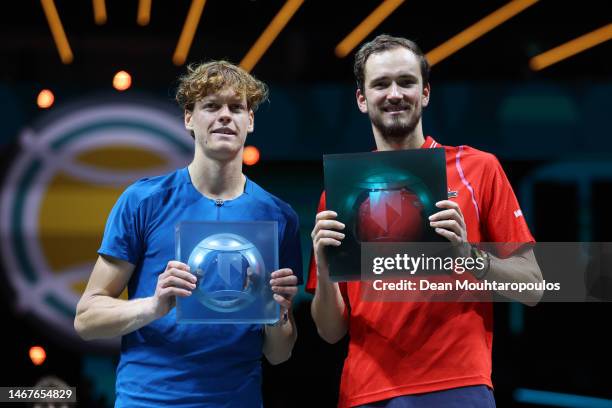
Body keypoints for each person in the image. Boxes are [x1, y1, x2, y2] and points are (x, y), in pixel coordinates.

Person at [309, 35, 543, 407]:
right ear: (361, 98)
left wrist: (468, 255)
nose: (395, 93)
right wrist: (322, 266)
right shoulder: (341, 192)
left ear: (426, 92)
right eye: (381, 84)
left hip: (459, 384)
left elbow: (533, 288)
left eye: (406, 82)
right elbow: (331, 331)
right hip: (367, 392)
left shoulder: (478, 169)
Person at [74, 60, 302, 408]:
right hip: (148, 399)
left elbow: (279, 354)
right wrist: (153, 306)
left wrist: (277, 312)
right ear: (188, 118)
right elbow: (87, 319)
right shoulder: (143, 201)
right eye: (211, 106)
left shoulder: (279, 216)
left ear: (250, 121)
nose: (225, 115)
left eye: (236, 107)